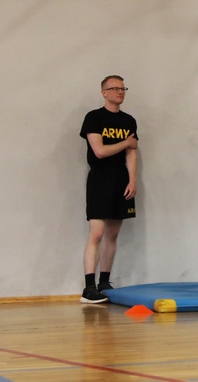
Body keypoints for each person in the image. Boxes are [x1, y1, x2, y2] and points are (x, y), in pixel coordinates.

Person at [79, 75, 138, 304]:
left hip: (120, 179)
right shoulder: (93, 118)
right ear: (104, 92)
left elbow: (132, 153)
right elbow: (100, 151)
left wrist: (132, 180)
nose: (120, 92)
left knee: (113, 233)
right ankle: (89, 287)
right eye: (114, 88)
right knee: (96, 233)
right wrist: (126, 143)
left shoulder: (129, 120)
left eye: (123, 88)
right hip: (100, 179)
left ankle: (105, 281)